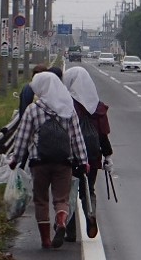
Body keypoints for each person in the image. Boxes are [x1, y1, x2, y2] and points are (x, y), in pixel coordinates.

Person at [8, 71, 88, 249]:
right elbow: (77, 137)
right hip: (64, 161)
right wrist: (83, 161)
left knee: (41, 199)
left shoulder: (33, 110)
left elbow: (22, 138)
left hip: (39, 162)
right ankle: (61, 219)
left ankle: (45, 239)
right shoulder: (68, 109)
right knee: (62, 198)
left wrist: (16, 159)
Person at [62, 67, 113, 239]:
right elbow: (103, 134)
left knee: (68, 190)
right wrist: (108, 157)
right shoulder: (97, 106)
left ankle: (68, 230)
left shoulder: (66, 104)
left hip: (70, 154)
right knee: (88, 189)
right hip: (92, 156)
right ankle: (90, 214)